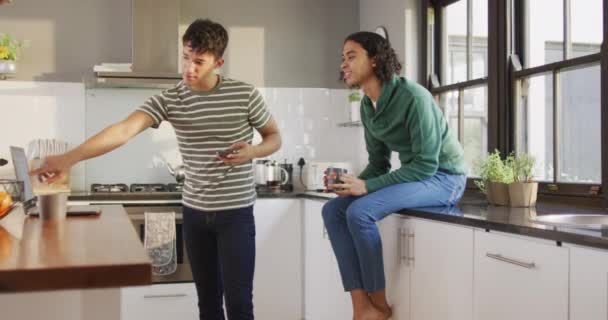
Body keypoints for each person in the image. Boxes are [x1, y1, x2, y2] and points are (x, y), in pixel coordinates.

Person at [30, 19, 281, 320]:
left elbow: (274, 138)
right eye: (186, 58)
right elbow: (123, 130)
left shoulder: (244, 95)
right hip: (195, 214)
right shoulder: (172, 98)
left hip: (235, 214)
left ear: (219, 62)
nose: (189, 68)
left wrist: (253, 151)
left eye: (199, 61)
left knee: (240, 304)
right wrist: (67, 159)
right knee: (208, 304)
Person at [322, 31, 467, 320]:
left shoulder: (414, 97)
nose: (343, 65)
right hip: (417, 177)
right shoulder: (367, 105)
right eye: (343, 59)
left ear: (374, 60)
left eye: (351, 56)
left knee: (360, 213)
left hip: (445, 179)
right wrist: (351, 184)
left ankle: (380, 306)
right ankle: (361, 307)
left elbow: (426, 165)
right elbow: (379, 163)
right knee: (333, 211)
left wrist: (367, 187)